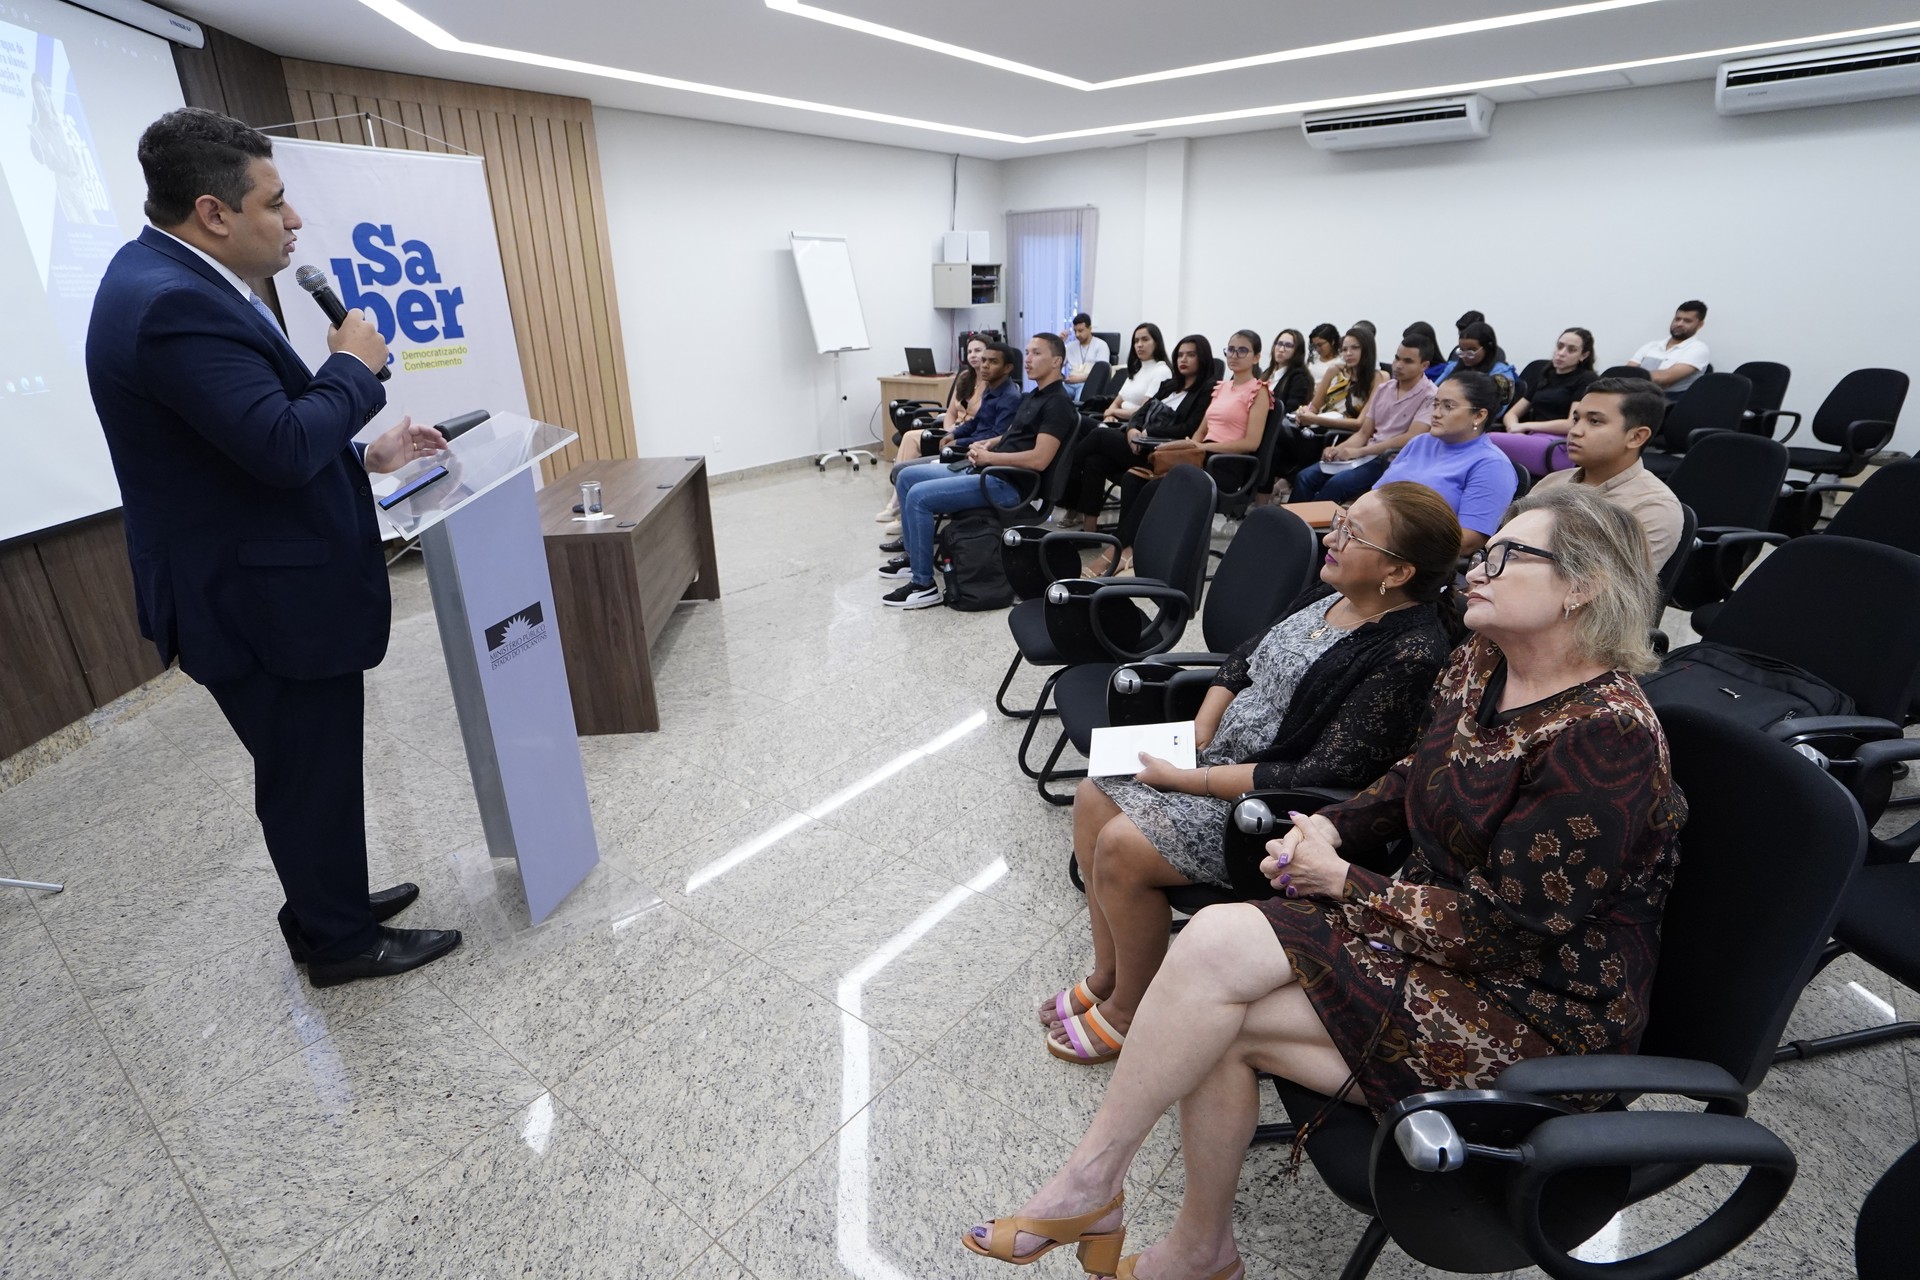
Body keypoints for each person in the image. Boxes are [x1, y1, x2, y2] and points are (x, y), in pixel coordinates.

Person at [966, 484, 1682, 1280]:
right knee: (1210, 992)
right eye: (1486, 552)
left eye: (1510, 556)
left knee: (1216, 991)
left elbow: (1509, 928)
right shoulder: (1484, 660)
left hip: (1535, 1011)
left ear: (1582, 586)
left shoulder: (1606, 733)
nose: (1479, 569)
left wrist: (1344, 881)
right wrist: (1336, 827)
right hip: (1439, 946)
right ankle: (1165, 1228)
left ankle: (1107, 1197)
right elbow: (1416, 770)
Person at [84, 108, 462, 986]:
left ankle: (326, 904)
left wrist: (366, 453)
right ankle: (339, 943)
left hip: (258, 574)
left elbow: (246, 441)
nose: (294, 221)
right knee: (305, 767)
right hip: (258, 599)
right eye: (276, 202)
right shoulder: (172, 302)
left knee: (309, 764)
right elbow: (285, 447)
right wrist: (354, 371)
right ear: (215, 213)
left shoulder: (175, 278)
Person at [1041, 484, 1463, 1066]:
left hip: (1271, 804)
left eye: (1350, 533)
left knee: (1121, 846)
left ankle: (1131, 1009)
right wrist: (1200, 731)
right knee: (1092, 794)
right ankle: (1110, 973)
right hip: (1218, 761)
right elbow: (1245, 655)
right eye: (1339, 521)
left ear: (1396, 570)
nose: (1329, 538)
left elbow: (1323, 770)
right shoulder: (1332, 591)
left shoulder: (1410, 653)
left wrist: (1188, 780)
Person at [879, 334, 1075, 608]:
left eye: (1036, 353)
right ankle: (915, 558)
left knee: (919, 497)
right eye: (1027, 352)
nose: (1028, 359)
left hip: (1008, 485)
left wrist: (990, 456)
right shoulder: (1034, 396)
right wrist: (989, 443)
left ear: (1057, 361)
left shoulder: (1058, 404)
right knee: (906, 475)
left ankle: (923, 585)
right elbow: (1014, 433)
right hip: (991, 469)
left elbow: (1040, 460)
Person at [1088, 330, 1269, 576]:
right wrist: (1184, 450)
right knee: (1133, 477)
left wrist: (1202, 448)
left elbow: (1251, 443)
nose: (1234, 355)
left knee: (1156, 487)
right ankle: (1132, 547)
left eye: (1242, 350)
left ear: (1256, 357)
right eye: (1230, 349)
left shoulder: (1258, 391)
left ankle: (1120, 551)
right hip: (1202, 458)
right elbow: (1199, 433)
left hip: (1226, 465)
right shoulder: (1221, 388)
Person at [1062, 334, 1214, 531]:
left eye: (1191, 355)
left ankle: (1064, 474)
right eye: (1180, 355)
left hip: (1161, 451)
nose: (1183, 360)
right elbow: (1140, 412)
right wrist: (1133, 429)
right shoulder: (1170, 385)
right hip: (1138, 443)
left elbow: (1188, 428)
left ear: (1202, 357)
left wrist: (1147, 432)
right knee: (1094, 461)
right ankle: (1089, 532)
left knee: (1098, 436)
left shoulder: (1207, 390)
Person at [1534, 377, 1686, 569]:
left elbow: (1615, 590)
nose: (1575, 431)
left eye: (1595, 421)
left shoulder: (1652, 507)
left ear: (1636, 437)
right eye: (1576, 419)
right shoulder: (1553, 481)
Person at [876, 336, 1016, 526]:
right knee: (906, 454)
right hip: (961, 436)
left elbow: (994, 436)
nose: (982, 363)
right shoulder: (972, 381)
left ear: (1006, 367)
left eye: (984, 356)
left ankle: (904, 517)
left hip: (972, 450)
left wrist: (959, 441)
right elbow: (963, 417)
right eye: (973, 353)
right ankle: (900, 510)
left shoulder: (1003, 393)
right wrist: (951, 433)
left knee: (905, 472)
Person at [1376, 370, 1518, 555]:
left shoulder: (1492, 465)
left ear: (1479, 416)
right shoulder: (1420, 442)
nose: (1435, 413)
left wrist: (1387, 542)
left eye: (1448, 406)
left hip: (1413, 556)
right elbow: (1375, 494)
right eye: (1435, 404)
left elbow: (1467, 541)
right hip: (1376, 537)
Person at [1289, 340, 1437, 505]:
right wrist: (1338, 449)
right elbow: (1364, 433)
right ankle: (1291, 528)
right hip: (1366, 453)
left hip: (1392, 461)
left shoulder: (1430, 395)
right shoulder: (1384, 389)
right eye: (1397, 358)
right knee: (1305, 477)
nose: (1398, 365)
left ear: (1424, 365)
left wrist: (1360, 451)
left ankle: (1316, 526)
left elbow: (1410, 438)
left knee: (1336, 485)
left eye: (1407, 361)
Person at [1491, 327, 1601, 477]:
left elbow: (1572, 423)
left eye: (1571, 350)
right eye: (1560, 346)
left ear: (1584, 355)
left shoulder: (1586, 379)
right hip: (1531, 439)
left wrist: (1524, 426)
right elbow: (1512, 413)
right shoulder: (1545, 375)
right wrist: (1513, 428)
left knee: (1485, 440)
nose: (1561, 353)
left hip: (1559, 446)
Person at [1295, 327, 1380, 438]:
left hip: (1344, 436)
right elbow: (1314, 406)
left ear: (1367, 349)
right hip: (1318, 428)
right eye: (1344, 350)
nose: (1348, 353)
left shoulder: (1378, 377)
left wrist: (1315, 419)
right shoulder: (1334, 370)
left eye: (1355, 348)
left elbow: (1360, 423)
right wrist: (1305, 411)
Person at [1430, 320, 1519, 414]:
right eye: (1461, 351)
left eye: (1471, 351)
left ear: (1487, 348)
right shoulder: (1452, 367)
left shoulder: (1501, 374)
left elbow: (1497, 411)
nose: (1464, 356)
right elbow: (1433, 393)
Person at [1092, 323, 1172, 424]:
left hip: (1135, 427)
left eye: (1145, 339)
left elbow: (1143, 412)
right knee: (1083, 422)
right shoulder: (1136, 369)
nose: (1139, 345)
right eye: (1136, 341)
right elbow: (1117, 402)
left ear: (1157, 343)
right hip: (1118, 421)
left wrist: (1113, 412)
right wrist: (1110, 416)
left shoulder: (1161, 371)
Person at [1628, 300, 1710, 398]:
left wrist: (1633, 378)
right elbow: (1627, 371)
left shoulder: (1698, 349)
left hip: (1668, 403)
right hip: (1635, 397)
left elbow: (1664, 379)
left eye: (1687, 321)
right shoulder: (1651, 346)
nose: (1679, 324)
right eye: (1677, 319)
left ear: (1700, 324)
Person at [1260, 328, 1314, 415]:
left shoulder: (1299, 378)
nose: (1281, 349)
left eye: (1288, 346)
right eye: (1279, 344)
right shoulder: (1268, 373)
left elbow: (1290, 411)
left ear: (1297, 351)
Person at [1061, 312, 1111, 402]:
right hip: (1070, 384)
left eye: (1080, 331)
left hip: (1087, 384)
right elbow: (1056, 364)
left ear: (1089, 328)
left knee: (1079, 402)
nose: (1077, 334)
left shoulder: (1101, 345)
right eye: (1075, 331)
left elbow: (1100, 374)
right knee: (1055, 397)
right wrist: (1059, 344)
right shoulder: (1070, 346)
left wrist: (1077, 379)